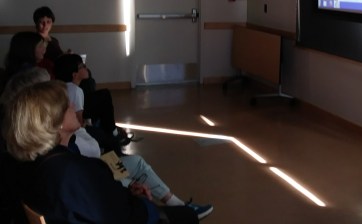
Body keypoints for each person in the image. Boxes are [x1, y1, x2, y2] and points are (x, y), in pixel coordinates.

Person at [2, 67, 213, 220]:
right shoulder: (74, 172)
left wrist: (125, 195)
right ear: (55, 122)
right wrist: (142, 202)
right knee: (184, 217)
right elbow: (123, 215)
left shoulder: (37, 162)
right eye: (67, 105)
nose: (74, 105)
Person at [54, 54, 132, 150]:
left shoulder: (61, 87)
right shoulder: (76, 91)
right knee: (108, 139)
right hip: (76, 132)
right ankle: (113, 136)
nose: (86, 68)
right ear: (74, 75)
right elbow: (79, 122)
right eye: (82, 66)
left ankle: (112, 131)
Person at [33, 6, 96, 93]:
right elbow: (40, 59)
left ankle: (85, 96)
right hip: (52, 70)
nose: (45, 25)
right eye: (41, 22)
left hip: (61, 66)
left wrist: (66, 54)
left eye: (48, 22)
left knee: (86, 72)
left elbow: (59, 55)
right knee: (84, 76)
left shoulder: (54, 40)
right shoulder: (35, 40)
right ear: (36, 23)